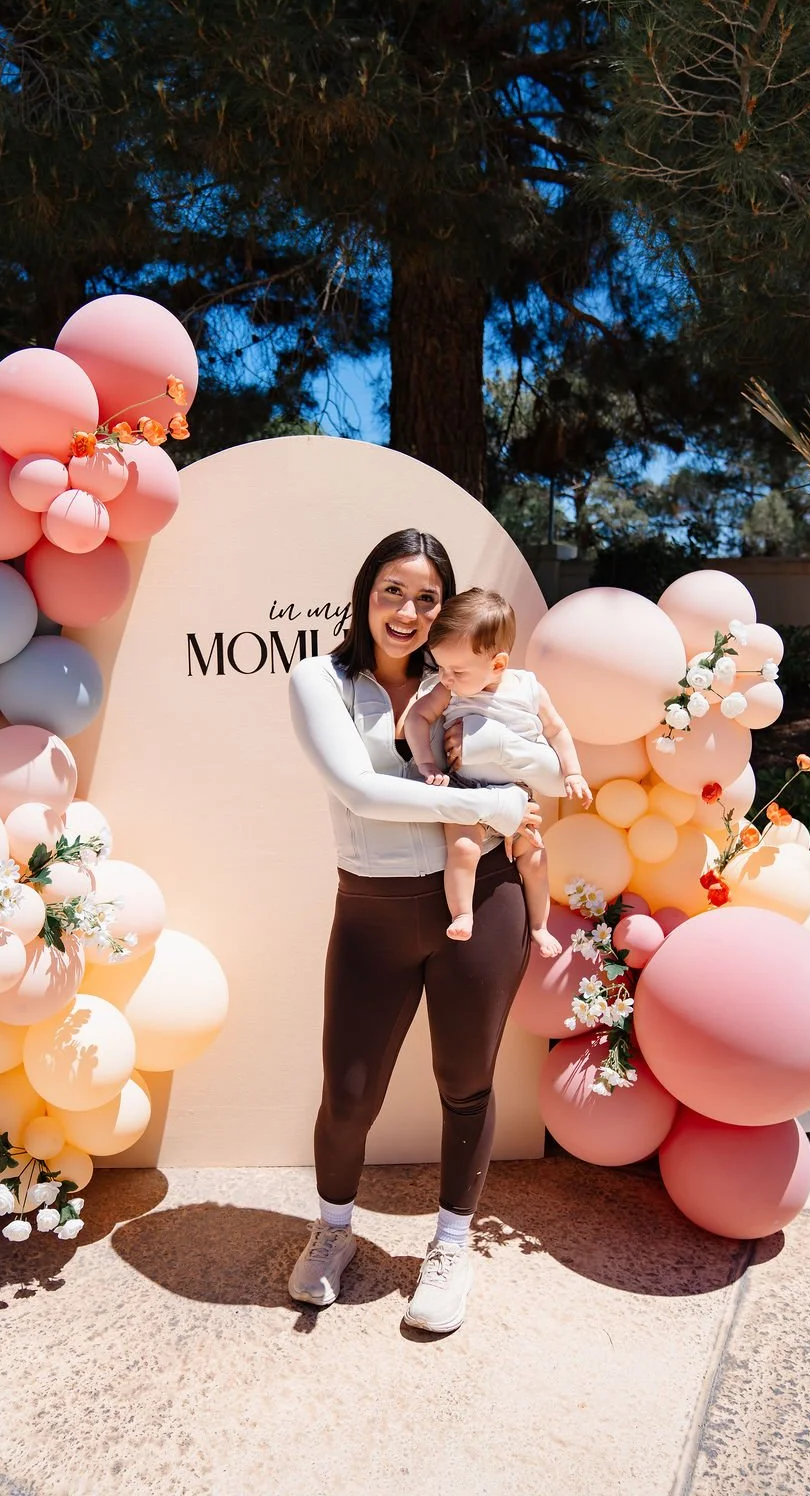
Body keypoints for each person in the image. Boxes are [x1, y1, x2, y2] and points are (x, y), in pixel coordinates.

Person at [287, 530, 563, 1334]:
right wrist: (489, 805)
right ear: (364, 593)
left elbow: (547, 770)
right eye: (392, 591)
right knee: (348, 1093)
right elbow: (360, 790)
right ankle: (333, 1229)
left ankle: (449, 1248)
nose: (407, 612)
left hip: (486, 899)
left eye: (427, 598)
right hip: (373, 905)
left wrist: (510, 775)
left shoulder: (477, 685)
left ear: (447, 610)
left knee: (466, 1080)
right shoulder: (322, 679)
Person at [404, 587, 592, 952]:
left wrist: (573, 772)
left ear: (498, 664)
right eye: (440, 667)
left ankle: (539, 926)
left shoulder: (528, 688)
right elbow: (417, 717)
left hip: (520, 794)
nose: (445, 678)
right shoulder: (452, 691)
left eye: (456, 670)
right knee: (463, 848)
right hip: (467, 790)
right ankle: (462, 914)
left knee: (535, 860)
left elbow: (556, 729)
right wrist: (426, 761)